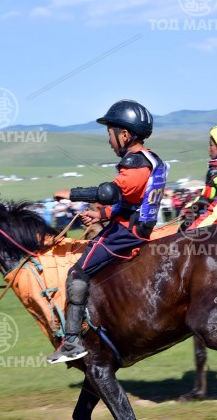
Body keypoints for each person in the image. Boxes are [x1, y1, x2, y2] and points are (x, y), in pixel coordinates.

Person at [47, 100, 167, 364]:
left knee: (77, 273)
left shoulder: (136, 163)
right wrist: (100, 215)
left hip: (126, 233)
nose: (109, 140)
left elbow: (109, 192)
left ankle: (72, 341)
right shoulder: (150, 159)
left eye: (110, 133)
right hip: (131, 225)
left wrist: (71, 194)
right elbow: (131, 201)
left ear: (124, 135)